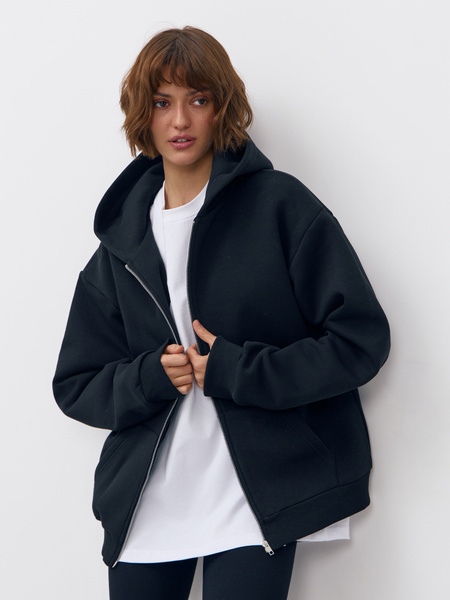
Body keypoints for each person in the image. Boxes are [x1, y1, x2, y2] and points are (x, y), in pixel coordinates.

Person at [53, 26, 390, 600]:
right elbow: (76, 383)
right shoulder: (120, 243)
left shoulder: (280, 206)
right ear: (143, 115)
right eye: (162, 103)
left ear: (222, 108)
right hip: (149, 503)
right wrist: (150, 377)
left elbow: (359, 340)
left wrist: (239, 371)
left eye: (198, 99)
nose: (180, 120)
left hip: (256, 500)